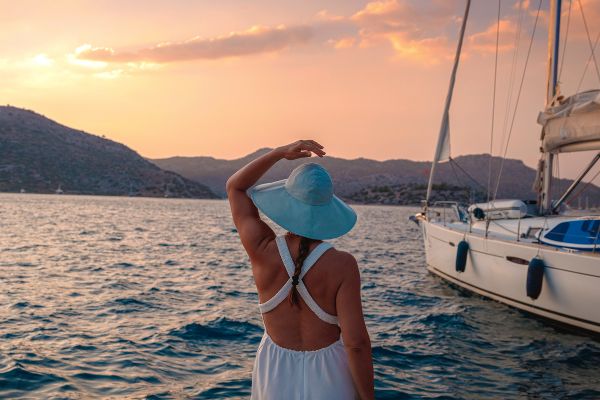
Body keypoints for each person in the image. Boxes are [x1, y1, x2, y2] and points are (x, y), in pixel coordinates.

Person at [226, 140, 374, 400]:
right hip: (330, 375)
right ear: (328, 212)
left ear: (287, 203)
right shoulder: (342, 265)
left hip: (274, 372)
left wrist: (279, 154)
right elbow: (356, 344)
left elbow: (236, 187)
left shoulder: (262, 249)